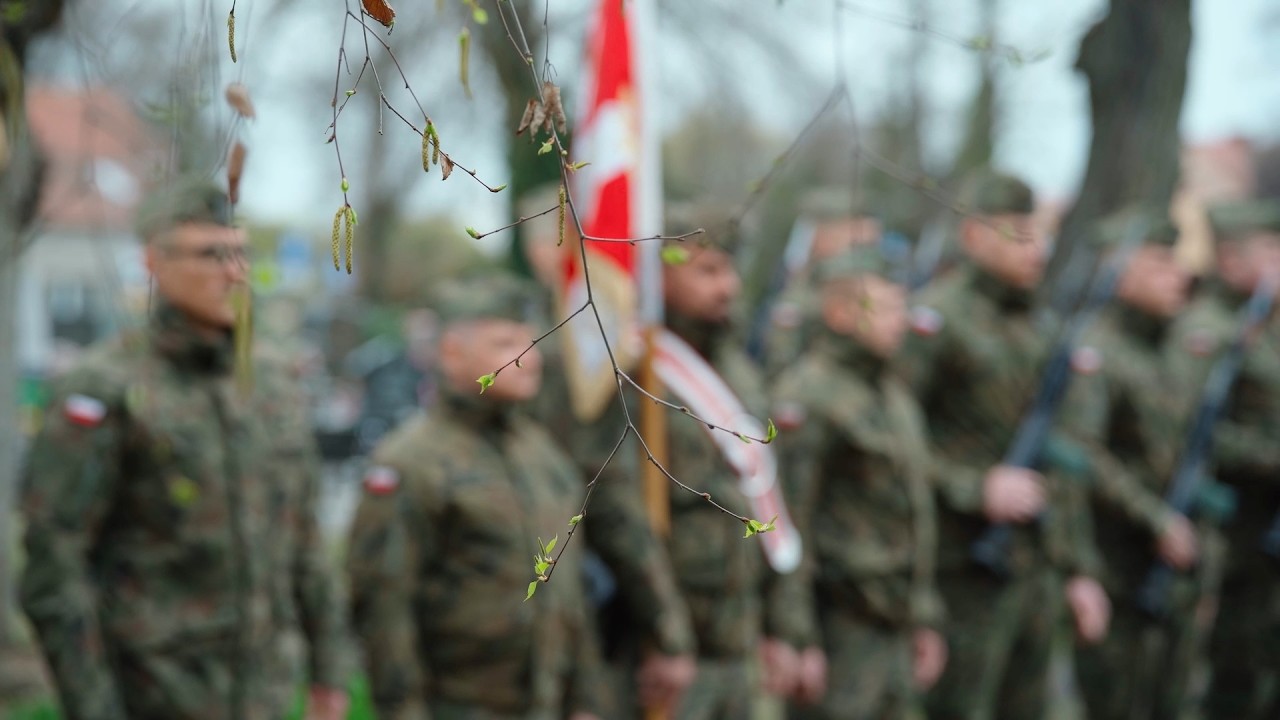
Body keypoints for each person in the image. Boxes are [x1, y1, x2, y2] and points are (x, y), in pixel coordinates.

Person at [18, 177, 348, 720]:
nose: (234, 271)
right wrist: (92, 705)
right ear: (155, 262)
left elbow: (306, 539)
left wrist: (329, 669)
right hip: (153, 691)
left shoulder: (270, 384)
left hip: (264, 689)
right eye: (210, 254)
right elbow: (56, 565)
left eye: (240, 253)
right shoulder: (105, 388)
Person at [345, 273, 607, 720]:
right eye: (506, 343)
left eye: (531, 340)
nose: (531, 356)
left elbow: (569, 593)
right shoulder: (412, 462)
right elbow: (383, 607)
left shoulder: (540, 453)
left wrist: (585, 700)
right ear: (452, 352)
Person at [902, 168, 1110, 720]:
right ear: (973, 236)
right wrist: (976, 486)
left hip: (1035, 570)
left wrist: (1078, 568)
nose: (1037, 250)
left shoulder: (1040, 327)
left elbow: (1062, 461)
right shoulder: (933, 321)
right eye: (1018, 234)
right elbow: (893, 446)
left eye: (1040, 234)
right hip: (962, 569)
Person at [644, 205, 808, 719]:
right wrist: (659, 635)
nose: (728, 287)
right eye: (708, 271)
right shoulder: (635, 370)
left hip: (741, 642)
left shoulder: (739, 368)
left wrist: (782, 628)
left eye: (730, 269)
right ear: (659, 272)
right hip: (665, 651)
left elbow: (768, 498)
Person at [772, 247, 947, 719]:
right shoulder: (808, 394)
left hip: (894, 626)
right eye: (887, 307)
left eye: (902, 306)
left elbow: (915, 514)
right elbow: (788, 520)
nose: (903, 321)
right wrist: (798, 634)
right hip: (839, 626)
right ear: (840, 312)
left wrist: (924, 616)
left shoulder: (894, 397)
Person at [1068, 209, 1209, 720]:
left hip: (1171, 563)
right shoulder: (1096, 350)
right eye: (1157, 262)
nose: (1176, 274)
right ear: (1115, 270)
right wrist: (1154, 517)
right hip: (1115, 561)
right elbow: (1085, 451)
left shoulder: (1169, 349)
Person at [1171, 199, 1280, 719]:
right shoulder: (1207, 329)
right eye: (1271, 251)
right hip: (1228, 525)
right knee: (1230, 675)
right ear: (1232, 261)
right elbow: (1193, 430)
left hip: (1264, 528)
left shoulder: (1266, 327)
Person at [758, 186, 882, 377]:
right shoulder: (804, 293)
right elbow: (781, 365)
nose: (864, 255)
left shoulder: (869, 286)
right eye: (857, 243)